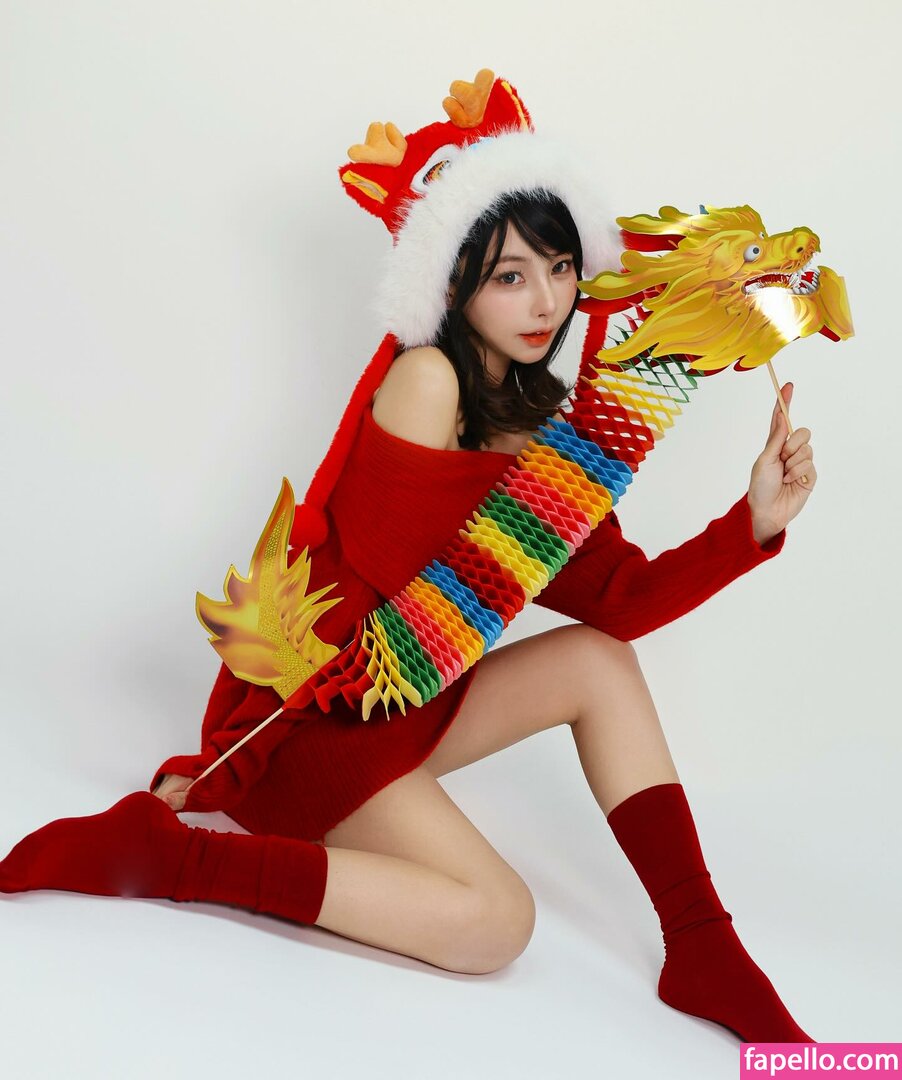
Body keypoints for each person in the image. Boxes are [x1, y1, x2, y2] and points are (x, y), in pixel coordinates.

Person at [0, 71, 817, 1045]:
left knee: (601, 661)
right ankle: (173, 859)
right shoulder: (427, 381)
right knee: (496, 925)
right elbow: (406, 592)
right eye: (509, 276)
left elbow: (618, 602)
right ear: (453, 282)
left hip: (404, 701)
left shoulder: (529, 425)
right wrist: (570, 467)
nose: (545, 300)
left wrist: (749, 523)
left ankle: (701, 942)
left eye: (560, 268)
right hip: (321, 720)